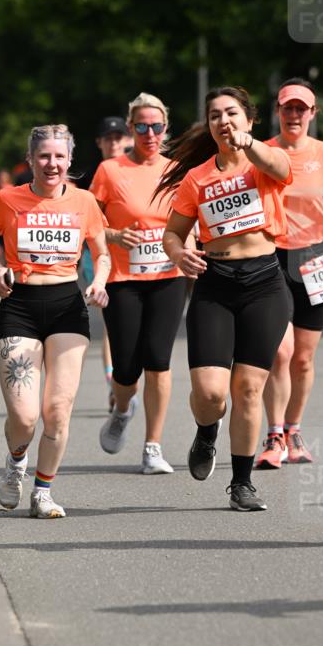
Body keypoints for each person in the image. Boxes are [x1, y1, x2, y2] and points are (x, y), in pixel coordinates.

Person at [159, 86, 292, 511]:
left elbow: (282, 166)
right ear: (209, 125)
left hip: (264, 283)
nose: (224, 121)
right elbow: (172, 234)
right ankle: (206, 431)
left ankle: (241, 483)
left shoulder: (265, 162)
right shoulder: (197, 178)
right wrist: (179, 254)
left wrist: (249, 145)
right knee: (212, 394)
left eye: (231, 113)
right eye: (215, 115)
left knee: (249, 389)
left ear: (249, 120)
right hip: (215, 283)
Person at [0, 124, 110, 519]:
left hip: (68, 304)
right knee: (24, 415)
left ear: (70, 160)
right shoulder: (8, 199)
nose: (52, 164)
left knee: (57, 410)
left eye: (59, 157)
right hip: (20, 304)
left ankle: (43, 491)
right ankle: (17, 461)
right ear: (31, 159)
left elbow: (101, 253)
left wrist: (99, 282)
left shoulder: (85, 202)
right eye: (44, 156)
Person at [256, 79, 323, 468]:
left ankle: (293, 429)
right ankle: (273, 435)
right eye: (288, 108)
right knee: (280, 352)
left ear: (313, 114)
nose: (294, 115)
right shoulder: (264, 151)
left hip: (317, 259)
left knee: (303, 358)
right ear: (278, 111)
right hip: (271, 257)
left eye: (302, 108)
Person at [91, 93, 188, 475]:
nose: (150, 133)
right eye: (142, 127)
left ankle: (153, 446)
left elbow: (188, 222)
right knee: (127, 370)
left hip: (168, 276)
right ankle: (121, 409)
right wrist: (114, 235)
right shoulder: (110, 171)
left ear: (166, 129)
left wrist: (189, 255)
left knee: (159, 360)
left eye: (157, 126)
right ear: (131, 129)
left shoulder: (178, 171)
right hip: (124, 278)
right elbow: (89, 222)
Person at [78, 116, 130, 405]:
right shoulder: (88, 177)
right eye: (108, 138)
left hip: (136, 259)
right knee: (112, 321)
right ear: (99, 143)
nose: (114, 143)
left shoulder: (138, 170)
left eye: (119, 137)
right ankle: (114, 381)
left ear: (128, 139)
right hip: (98, 257)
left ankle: (125, 378)